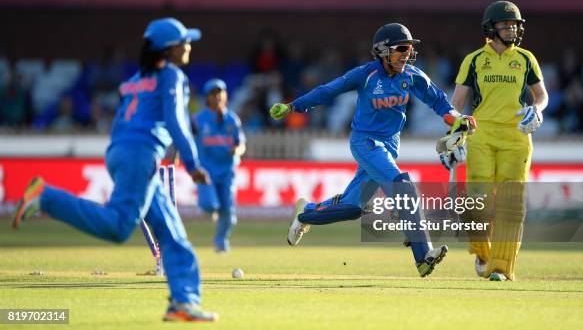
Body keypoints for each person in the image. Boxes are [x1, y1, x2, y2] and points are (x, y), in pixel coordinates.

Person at [11, 18, 218, 322]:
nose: (189, 46)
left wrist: (126, 155)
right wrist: (193, 164)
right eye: (184, 41)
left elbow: (121, 122)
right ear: (169, 49)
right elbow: (177, 123)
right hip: (140, 155)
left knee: (171, 232)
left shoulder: (134, 80)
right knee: (119, 226)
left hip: (121, 152)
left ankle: (183, 302)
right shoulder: (171, 76)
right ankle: (46, 197)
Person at [269, 23, 476, 277]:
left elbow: (438, 101)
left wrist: (457, 119)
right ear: (382, 51)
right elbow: (328, 91)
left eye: (409, 49)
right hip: (364, 142)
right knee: (402, 185)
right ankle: (423, 256)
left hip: (389, 145)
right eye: (401, 49)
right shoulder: (365, 74)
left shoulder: (411, 75)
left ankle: (305, 213)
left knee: (352, 207)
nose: (407, 54)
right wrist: (293, 107)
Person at [444, 1, 549, 281]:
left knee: (511, 204)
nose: (512, 29)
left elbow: (541, 95)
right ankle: (482, 252)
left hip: (517, 136)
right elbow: (456, 103)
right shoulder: (475, 59)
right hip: (482, 134)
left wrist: (537, 109)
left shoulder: (526, 58)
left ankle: (501, 268)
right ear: (491, 28)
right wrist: (454, 133)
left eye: (515, 25)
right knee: (477, 203)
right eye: (506, 25)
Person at [193, 78, 246, 253]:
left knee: (229, 215)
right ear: (207, 97)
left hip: (227, 171)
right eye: (213, 94)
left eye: (220, 93)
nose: (217, 97)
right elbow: (184, 140)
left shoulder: (232, 120)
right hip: (206, 171)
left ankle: (221, 242)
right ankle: (212, 208)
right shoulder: (198, 120)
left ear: (225, 95)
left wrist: (237, 150)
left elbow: (241, 144)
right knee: (209, 205)